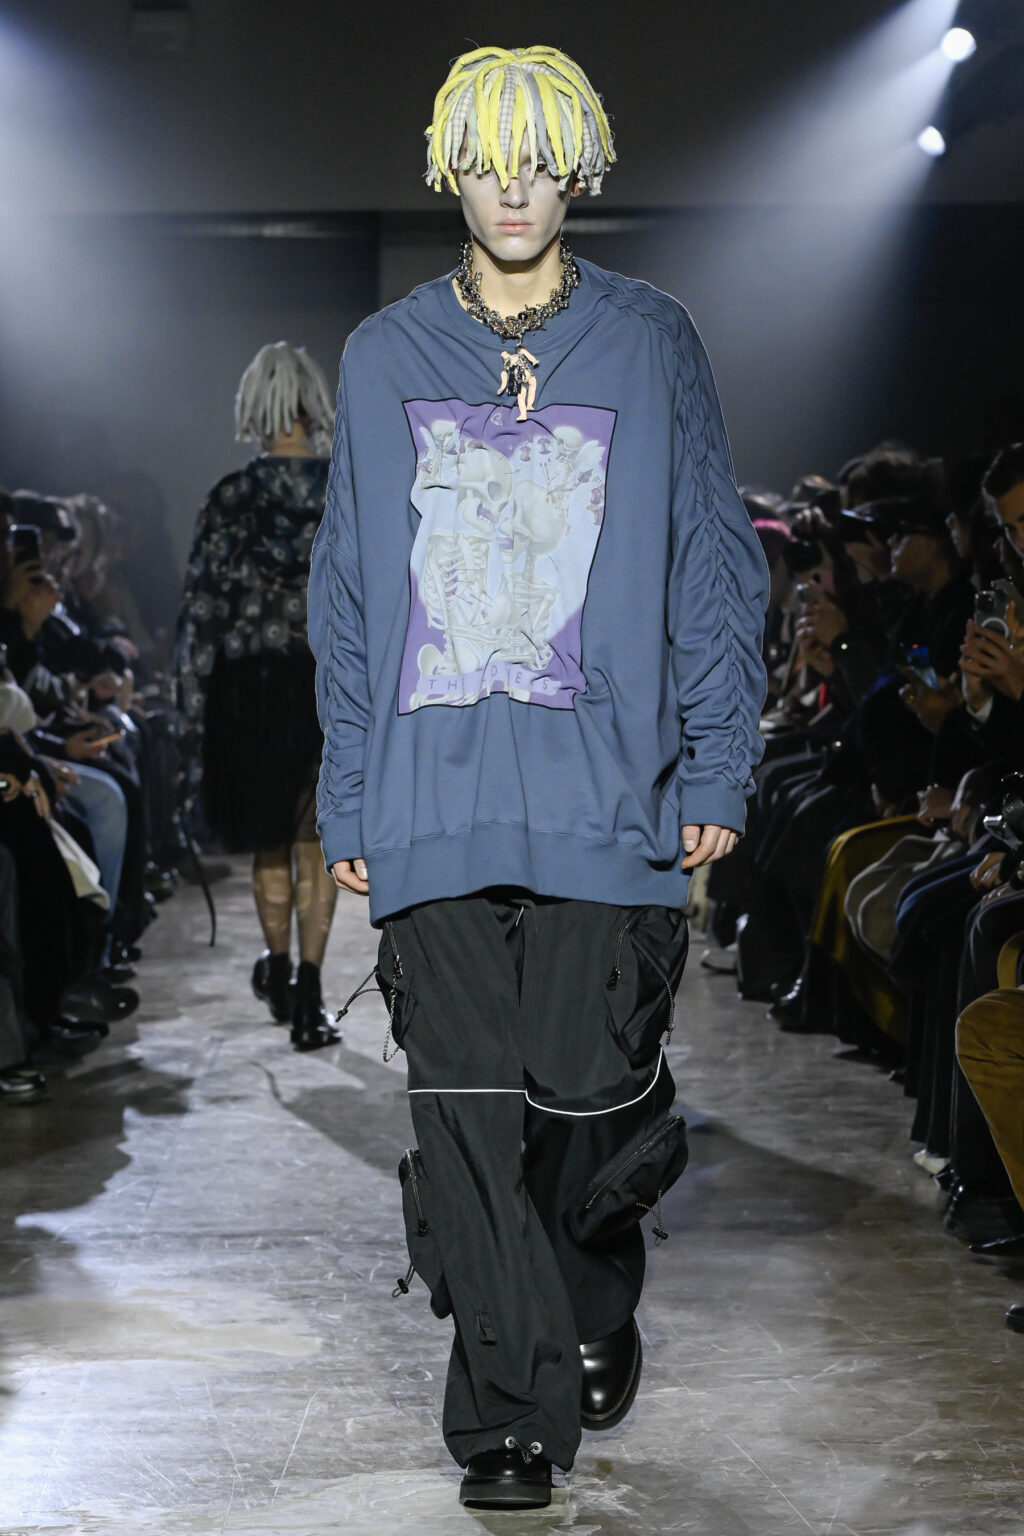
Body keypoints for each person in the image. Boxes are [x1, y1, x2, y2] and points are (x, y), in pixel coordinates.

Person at [310, 45, 768, 1509]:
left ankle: (589, 1287)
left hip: (606, 788)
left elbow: (709, 557)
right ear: (448, 170)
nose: (513, 191)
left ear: (580, 168)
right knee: (463, 1111)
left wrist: (718, 758)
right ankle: (508, 1415)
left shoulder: (650, 339)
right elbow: (349, 593)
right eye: (487, 163)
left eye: (539, 162)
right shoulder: (383, 355)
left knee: (586, 1101)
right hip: (433, 791)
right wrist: (348, 791)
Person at [176, 342, 341, 1050]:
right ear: (311, 406)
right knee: (316, 844)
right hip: (327, 687)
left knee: (270, 845)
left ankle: (277, 969)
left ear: (257, 409)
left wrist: (188, 715)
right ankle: (310, 997)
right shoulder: (345, 492)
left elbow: (201, 614)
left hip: (248, 695)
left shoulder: (230, 500)